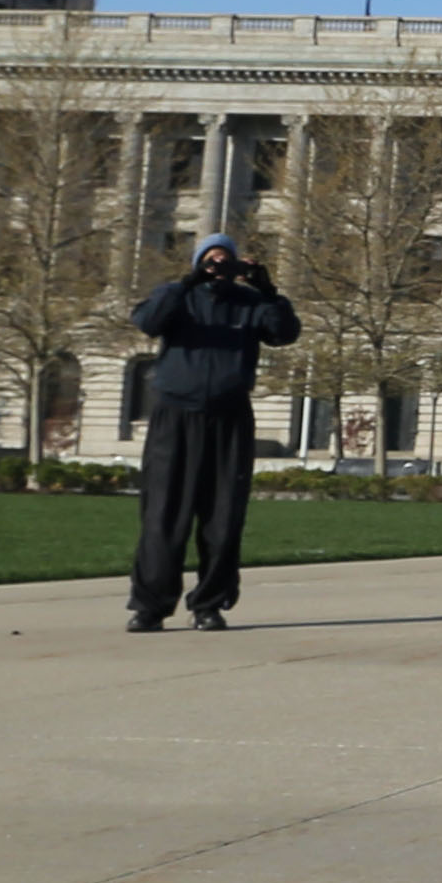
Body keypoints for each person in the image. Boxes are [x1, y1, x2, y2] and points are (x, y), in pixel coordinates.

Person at [128, 235, 300, 631]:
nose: (217, 267)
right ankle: (151, 606)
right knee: (163, 515)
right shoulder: (175, 295)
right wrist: (187, 283)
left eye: (225, 261)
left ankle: (209, 604)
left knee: (222, 518)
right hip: (174, 416)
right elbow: (147, 323)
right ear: (196, 263)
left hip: (229, 417)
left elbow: (284, 333)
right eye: (210, 260)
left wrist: (268, 289)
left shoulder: (250, 303)